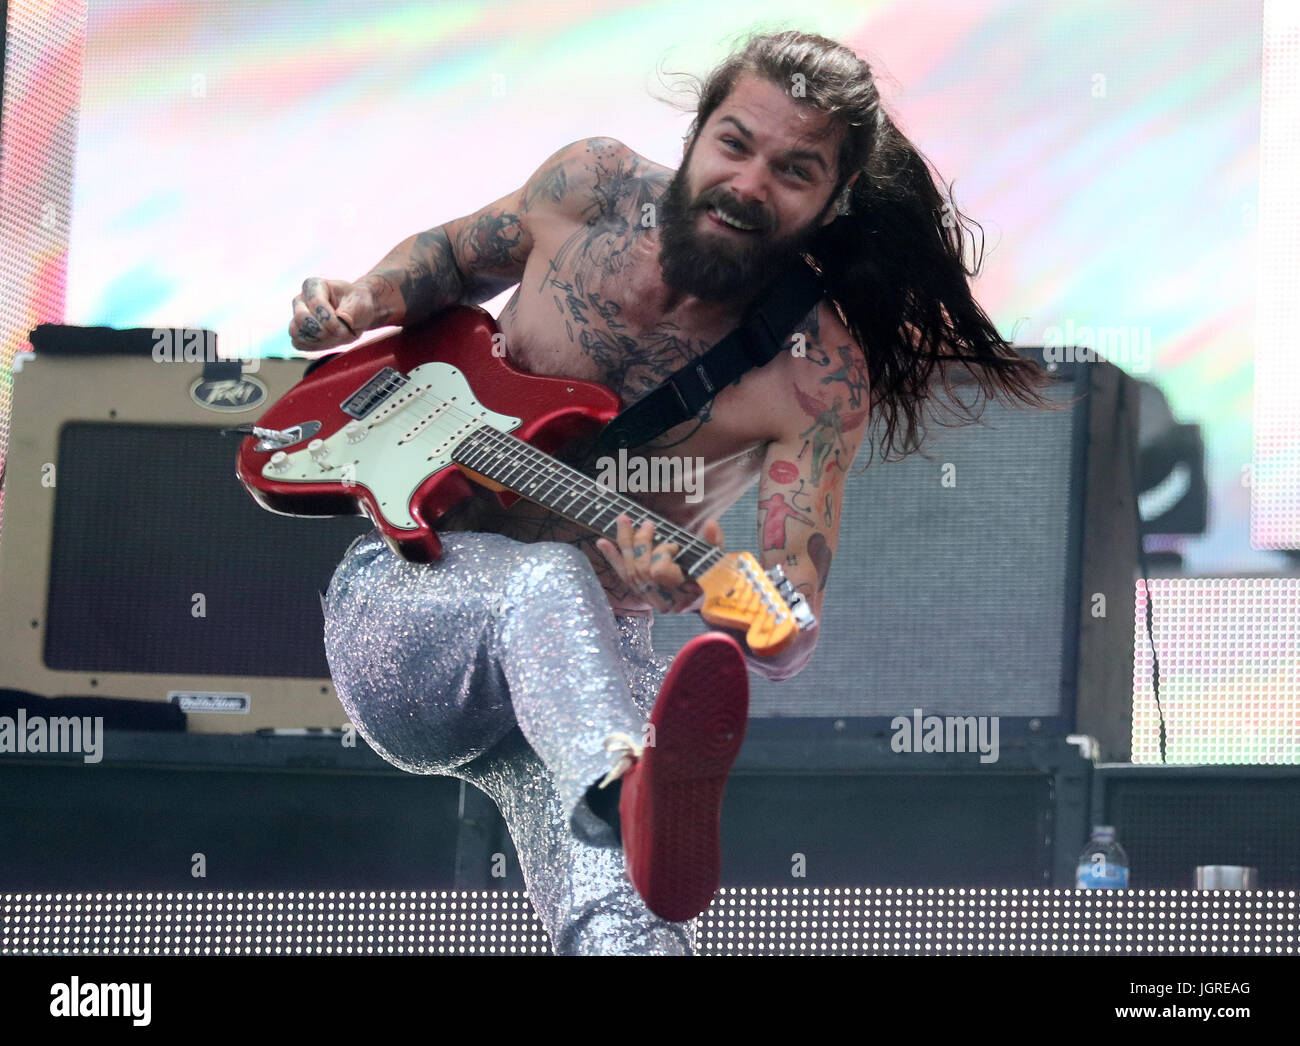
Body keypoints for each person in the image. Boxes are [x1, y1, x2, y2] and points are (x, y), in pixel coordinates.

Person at [290, 29, 1053, 956]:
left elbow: (790, 622)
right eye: (736, 145)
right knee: (547, 582)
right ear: (696, 132)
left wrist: (692, 589)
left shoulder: (814, 379)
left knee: (634, 928)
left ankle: (623, 808)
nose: (749, 184)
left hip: (591, 673)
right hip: (409, 608)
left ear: (835, 198)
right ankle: (625, 782)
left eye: (794, 170)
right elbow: (452, 260)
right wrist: (360, 300)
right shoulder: (590, 187)